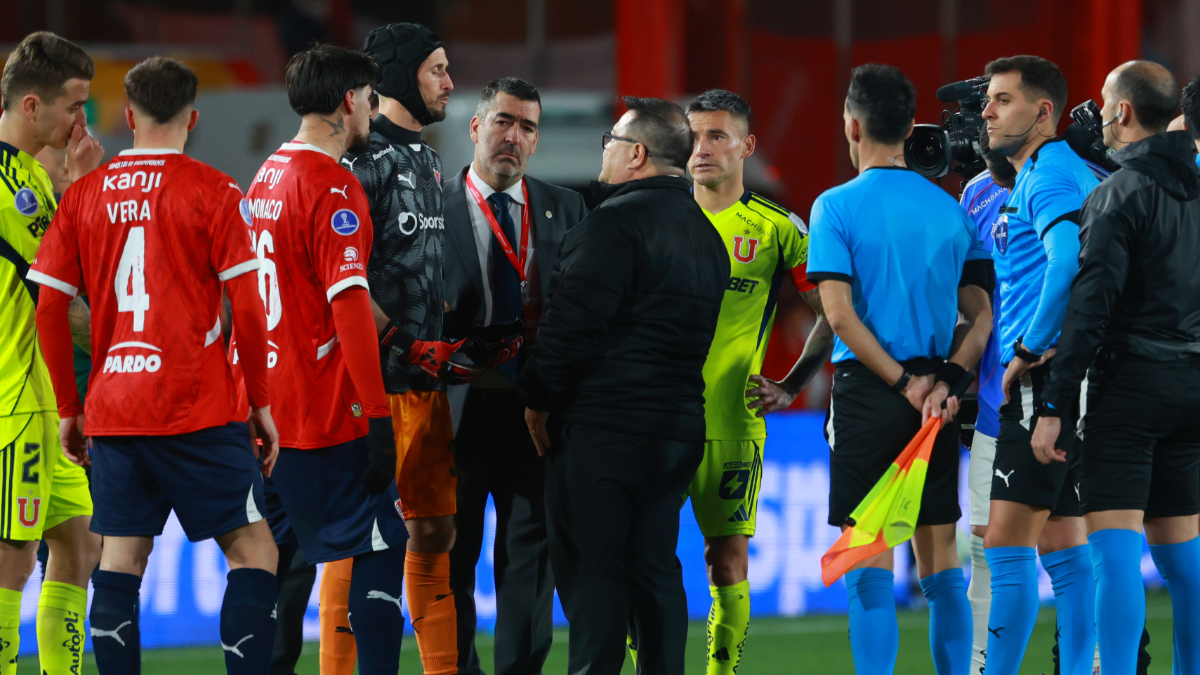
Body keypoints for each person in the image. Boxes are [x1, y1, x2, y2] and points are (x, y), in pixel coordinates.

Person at [30, 56, 280, 674]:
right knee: (254, 552)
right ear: (193, 118)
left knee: (120, 562)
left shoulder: (85, 194)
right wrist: (262, 404)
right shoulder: (218, 193)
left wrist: (70, 407)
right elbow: (249, 310)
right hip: (200, 404)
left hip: (115, 408)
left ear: (127, 114)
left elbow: (49, 309)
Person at [519, 96, 729, 675]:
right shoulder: (706, 237)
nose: (604, 152)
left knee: (594, 580)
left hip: (606, 430)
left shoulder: (611, 224)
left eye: (610, 141)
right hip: (677, 431)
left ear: (636, 154)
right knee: (657, 571)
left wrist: (537, 397)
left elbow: (571, 329)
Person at [808, 63, 992, 675]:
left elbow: (838, 315)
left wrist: (901, 382)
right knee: (940, 563)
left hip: (870, 391)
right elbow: (981, 313)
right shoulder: (951, 211)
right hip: (936, 399)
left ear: (852, 126)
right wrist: (947, 382)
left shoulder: (835, 206)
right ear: (911, 128)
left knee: (870, 566)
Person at [1032, 60, 1200, 675]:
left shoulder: (1117, 193)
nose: (1099, 112)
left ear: (1123, 112)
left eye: (1104, 100)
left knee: (1114, 554)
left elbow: (1090, 310)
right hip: (1191, 384)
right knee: (1185, 562)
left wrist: (1053, 405)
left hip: (1129, 385)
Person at [248, 44, 409, 675]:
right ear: (350, 100)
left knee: (275, 562)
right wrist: (376, 417)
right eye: (370, 98)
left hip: (272, 413)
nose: (373, 110)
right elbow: (347, 306)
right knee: (383, 546)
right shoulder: (331, 184)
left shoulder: (267, 175)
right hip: (324, 412)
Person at [677, 88, 833, 675]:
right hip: (656, 419)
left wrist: (792, 386)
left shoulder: (776, 228)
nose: (702, 148)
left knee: (727, 561)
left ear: (747, 145)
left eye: (717, 135)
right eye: (693, 135)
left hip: (733, 423)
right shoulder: (656, 216)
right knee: (643, 558)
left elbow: (831, 311)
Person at [323, 22, 461, 675]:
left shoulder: (430, 160)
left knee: (435, 530)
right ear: (403, 75)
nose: (450, 83)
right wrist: (400, 339)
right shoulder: (361, 161)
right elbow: (338, 278)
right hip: (368, 390)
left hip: (425, 387)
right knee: (355, 543)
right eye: (438, 70)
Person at [442, 77, 587, 675]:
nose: (514, 137)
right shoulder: (431, 207)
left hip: (536, 413)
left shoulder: (567, 207)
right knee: (450, 562)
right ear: (476, 128)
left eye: (527, 127)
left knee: (530, 569)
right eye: (503, 121)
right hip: (455, 411)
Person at [979, 55, 1100, 675]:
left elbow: (1068, 261)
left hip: (1042, 378)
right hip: (1074, 375)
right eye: (989, 100)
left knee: (1006, 542)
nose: (987, 111)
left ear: (1044, 111)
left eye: (1002, 99)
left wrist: (1029, 346)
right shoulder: (1052, 171)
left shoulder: (1048, 175)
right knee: (1063, 541)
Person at [0, 31, 104, 675]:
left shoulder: (33, 175)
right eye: (73, 106)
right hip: (16, 402)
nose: (81, 121)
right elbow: (62, 297)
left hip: (43, 398)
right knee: (11, 562)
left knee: (79, 541)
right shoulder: (10, 184)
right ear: (32, 106)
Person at [956, 130, 1016, 675]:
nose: (989, 119)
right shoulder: (975, 193)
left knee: (1078, 542)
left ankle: (1095, 660)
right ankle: (981, 666)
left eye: (1001, 101)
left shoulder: (1081, 183)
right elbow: (968, 297)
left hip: (1071, 400)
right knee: (985, 546)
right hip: (996, 404)